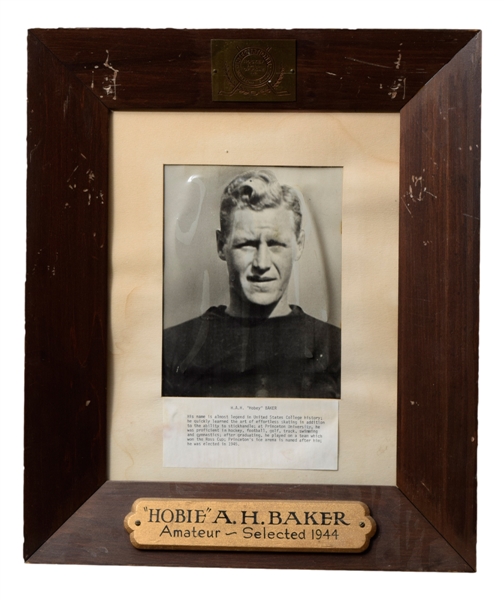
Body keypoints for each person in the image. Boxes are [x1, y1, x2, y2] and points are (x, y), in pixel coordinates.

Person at [162, 170, 341, 398]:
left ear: (300, 245)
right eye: (247, 244)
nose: (262, 263)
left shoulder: (335, 349)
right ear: (221, 245)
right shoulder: (175, 347)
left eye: (276, 244)